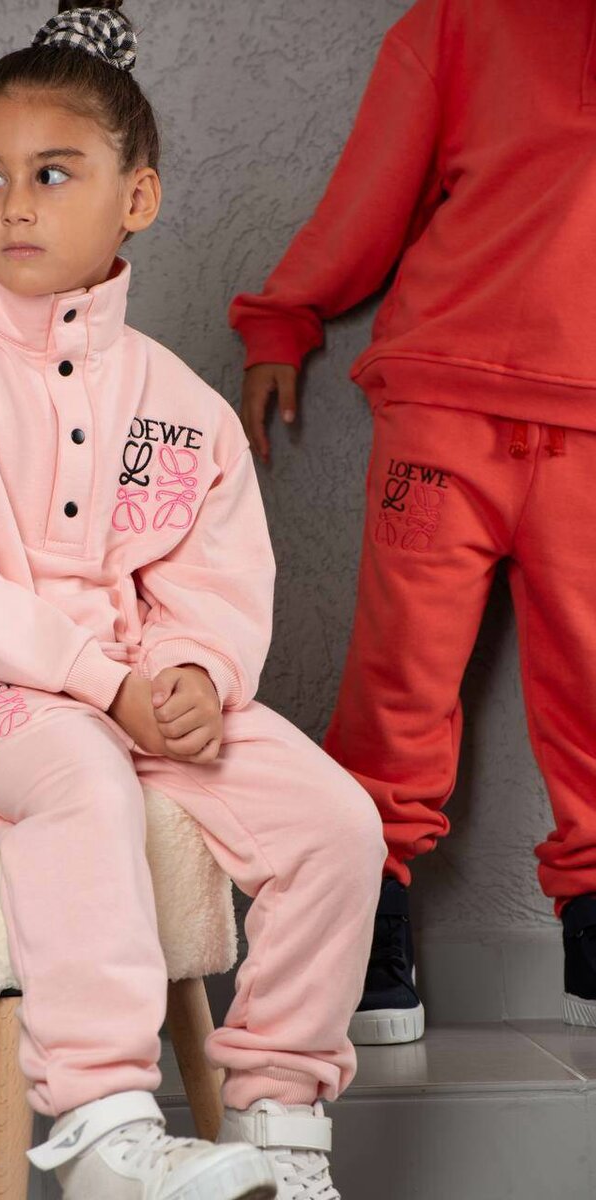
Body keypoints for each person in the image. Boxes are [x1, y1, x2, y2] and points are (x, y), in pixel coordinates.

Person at [0, 4, 386, 1196]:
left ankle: (281, 1124)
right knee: (82, 773)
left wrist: (195, 674)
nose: (15, 205)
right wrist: (103, 686)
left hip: (140, 691)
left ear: (136, 197)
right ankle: (103, 1130)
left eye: (52, 173)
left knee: (336, 822)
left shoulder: (181, 405)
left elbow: (218, 577)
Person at [229, 0, 596, 1047]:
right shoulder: (455, 24)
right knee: (397, 679)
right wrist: (283, 316)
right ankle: (366, 918)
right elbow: (370, 193)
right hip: (442, 408)